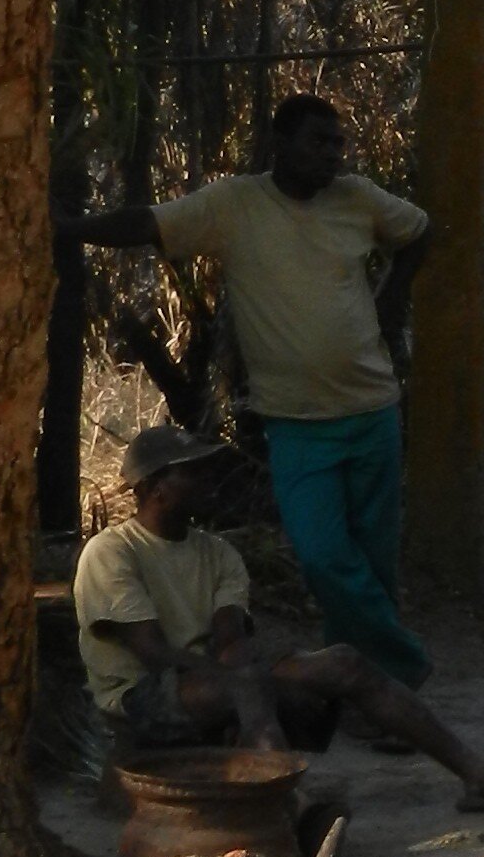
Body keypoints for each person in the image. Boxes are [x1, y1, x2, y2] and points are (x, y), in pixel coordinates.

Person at [65, 94, 434, 682]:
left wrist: (392, 296)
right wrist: (68, 229)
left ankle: (364, 686)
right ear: (279, 144)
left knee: (373, 560)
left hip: (372, 410)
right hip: (296, 422)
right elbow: (150, 222)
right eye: (318, 142)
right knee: (323, 557)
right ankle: (403, 668)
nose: (332, 156)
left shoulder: (358, 199)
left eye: (338, 143)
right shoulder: (236, 204)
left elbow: (417, 232)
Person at [77, 419, 484, 789]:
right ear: (155, 488)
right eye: (193, 473)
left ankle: (478, 774)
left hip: (209, 677)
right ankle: (288, 806)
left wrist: (264, 670)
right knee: (248, 686)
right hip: (139, 697)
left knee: (342, 662)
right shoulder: (111, 551)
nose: (209, 481)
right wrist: (251, 676)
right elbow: (151, 653)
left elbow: (230, 639)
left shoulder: (218, 553)